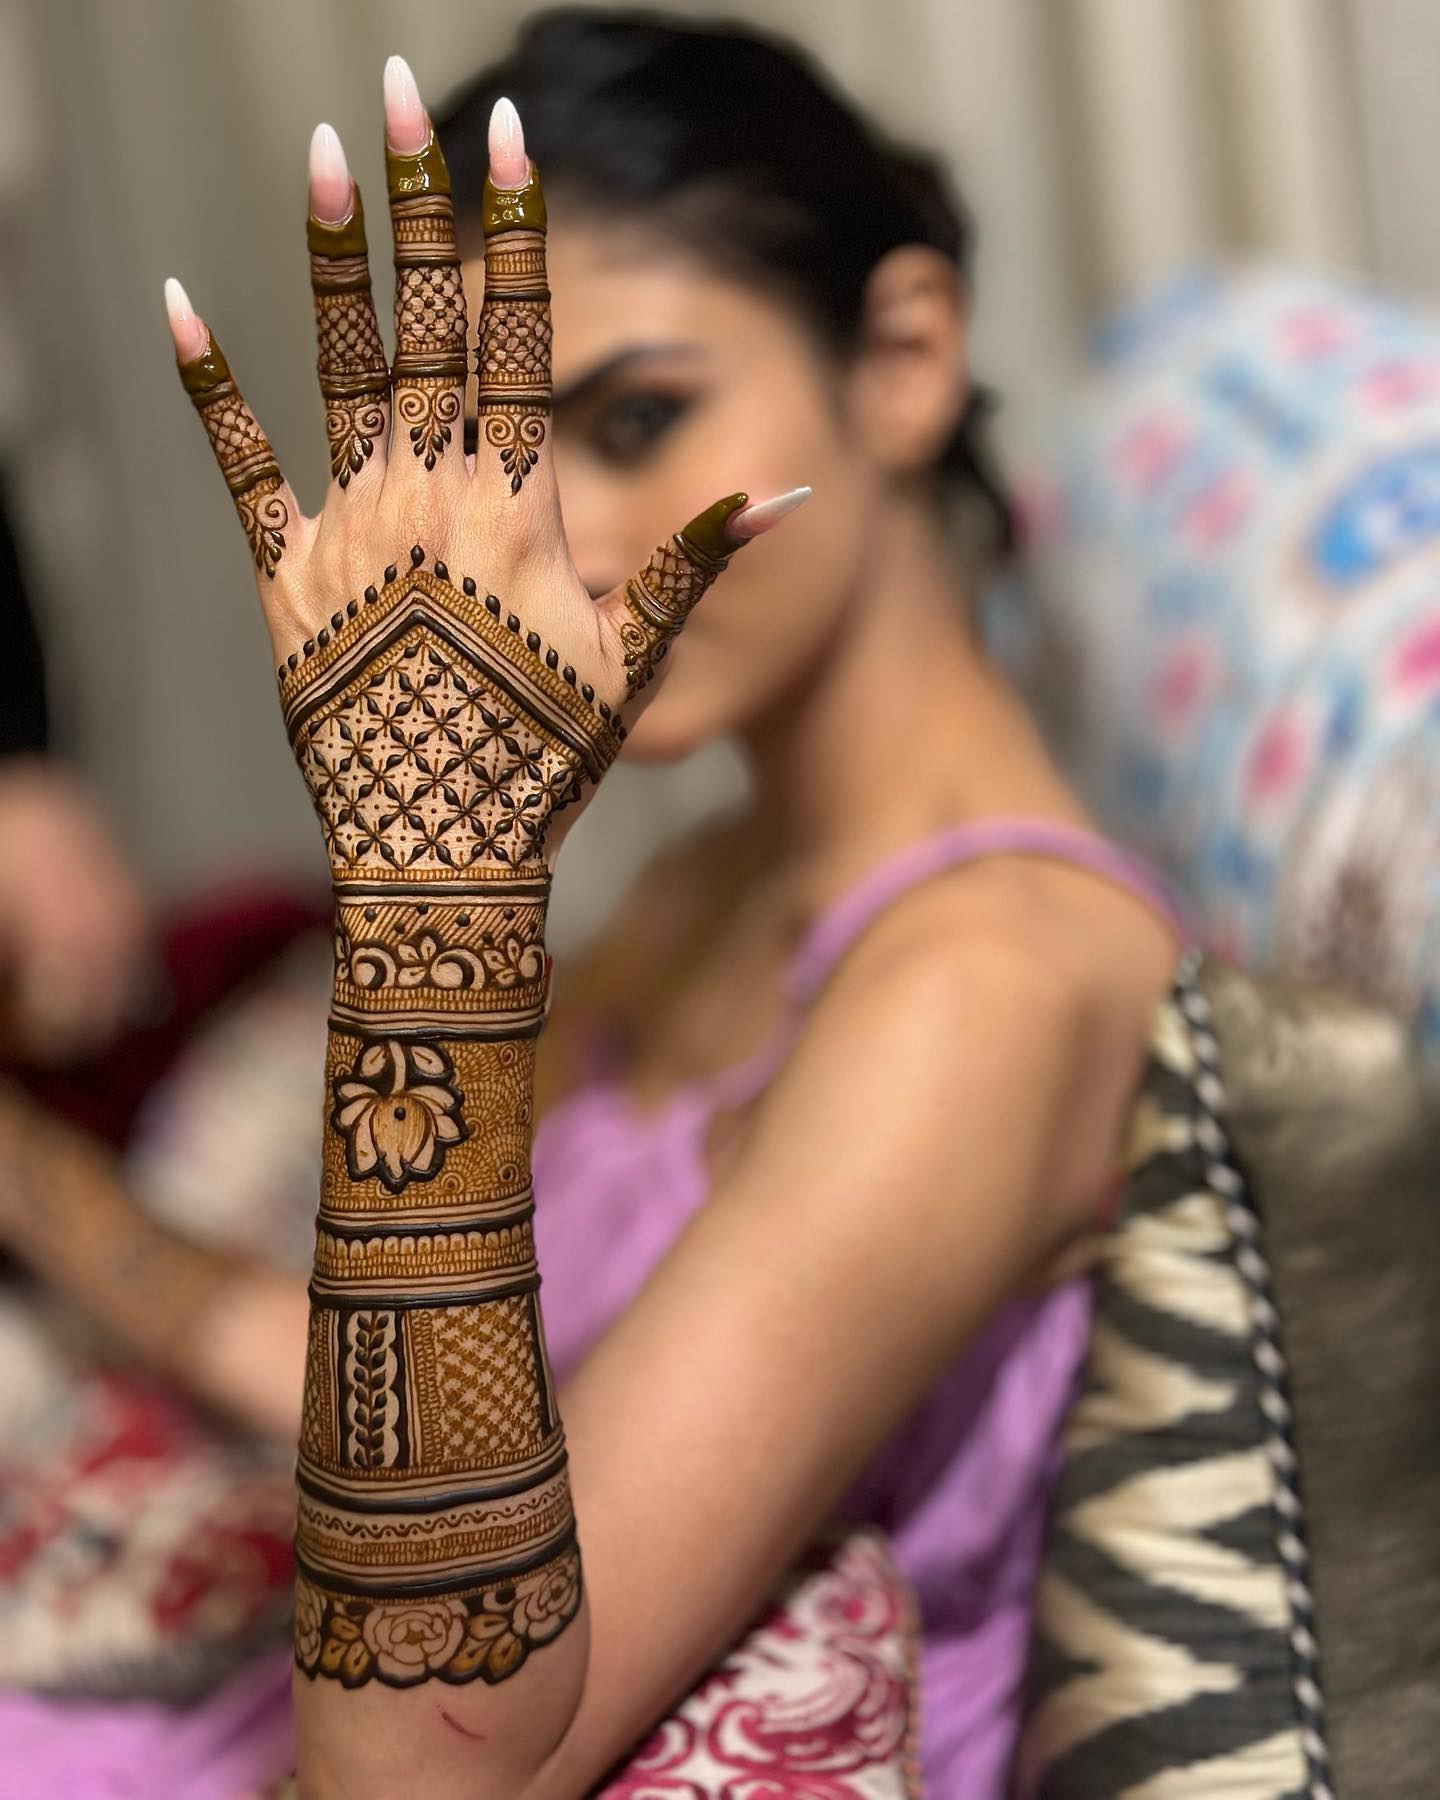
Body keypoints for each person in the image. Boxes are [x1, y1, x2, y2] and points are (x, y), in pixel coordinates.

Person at [2, 14, 1189, 1795]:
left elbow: (427, 1777)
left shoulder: (986, 983)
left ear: (905, 358)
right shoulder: (717, 877)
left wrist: (435, 884)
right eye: (504, 443)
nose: (554, 535)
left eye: (640, 415)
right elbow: (377, 1369)